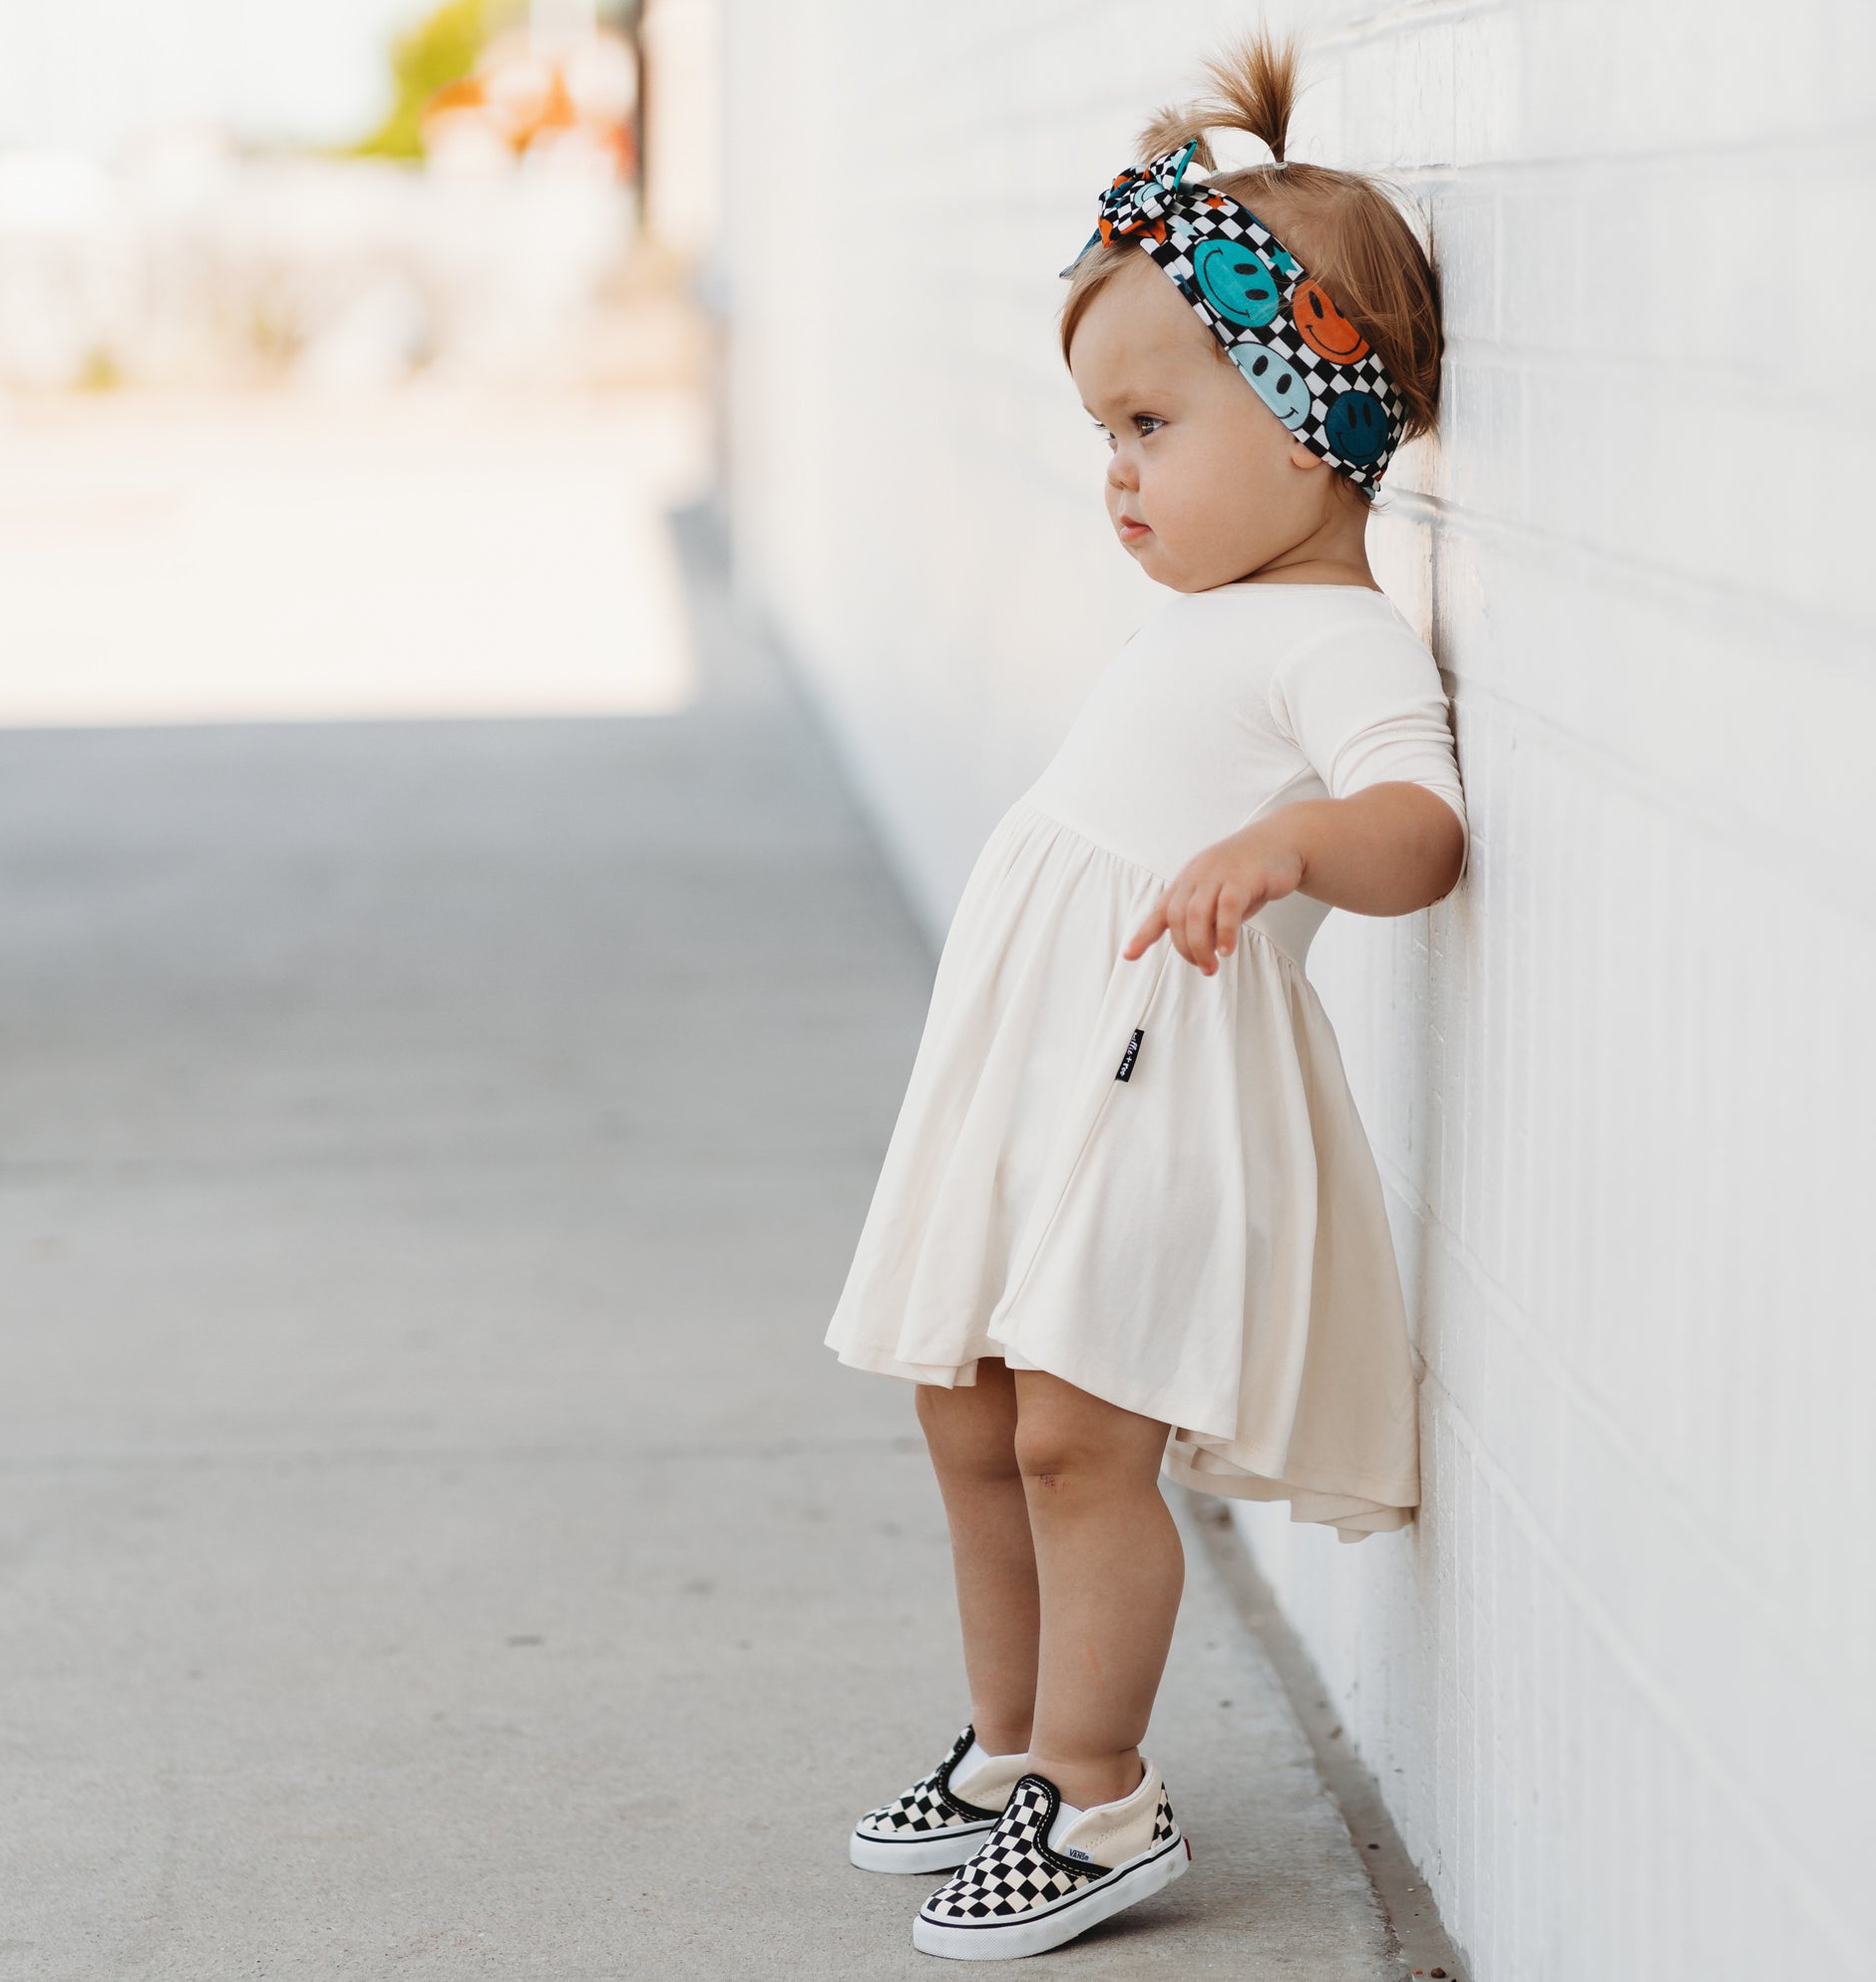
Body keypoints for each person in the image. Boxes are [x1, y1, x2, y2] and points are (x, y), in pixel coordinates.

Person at [824, 30, 1469, 1964]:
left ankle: (1102, 1796)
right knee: (966, 1406)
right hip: (1046, 1074)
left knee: (1075, 1440)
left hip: (1152, 1088)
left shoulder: (1337, 638)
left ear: (1308, 418)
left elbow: (1419, 829)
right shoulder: (1225, 614)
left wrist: (1289, 846)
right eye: (1104, 431)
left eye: (1148, 425)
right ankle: (1014, 1745)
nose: (1114, 472)